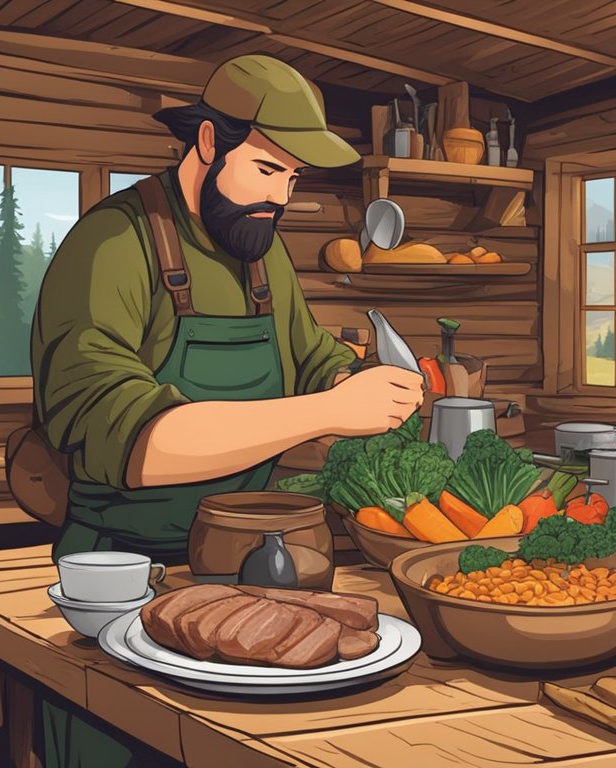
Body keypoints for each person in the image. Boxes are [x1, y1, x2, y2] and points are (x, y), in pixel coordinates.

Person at [29, 54, 423, 767]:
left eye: (294, 180)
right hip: (123, 575)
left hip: (254, 576)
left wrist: (363, 380)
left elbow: (311, 360)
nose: (281, 198)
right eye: (268, 170)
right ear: (207, 142)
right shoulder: (113, 244)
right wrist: (327, 411)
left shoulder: (258, 251)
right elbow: (132, 443)